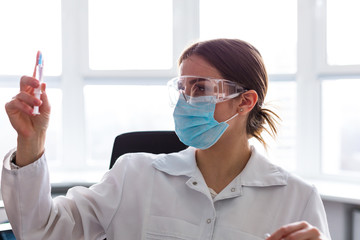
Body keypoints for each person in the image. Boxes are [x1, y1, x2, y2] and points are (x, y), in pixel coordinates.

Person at [2, 38, 331, 240]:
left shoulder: (297, 198)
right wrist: (32, 142)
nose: (186, 100)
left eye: (200, 88)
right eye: (182, 88)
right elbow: (40, 232)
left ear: (244, 101)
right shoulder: (133, 175)